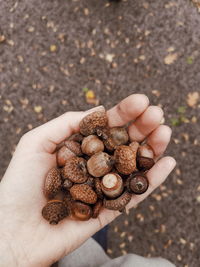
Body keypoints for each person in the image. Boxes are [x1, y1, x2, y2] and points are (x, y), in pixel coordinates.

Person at [0, 94, 176, 267]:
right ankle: (97, 236)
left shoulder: (111, 170)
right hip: (85, 211)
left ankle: (97, 234)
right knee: (94, 231)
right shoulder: (79, 172)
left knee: (93, 227)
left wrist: (12, 247)